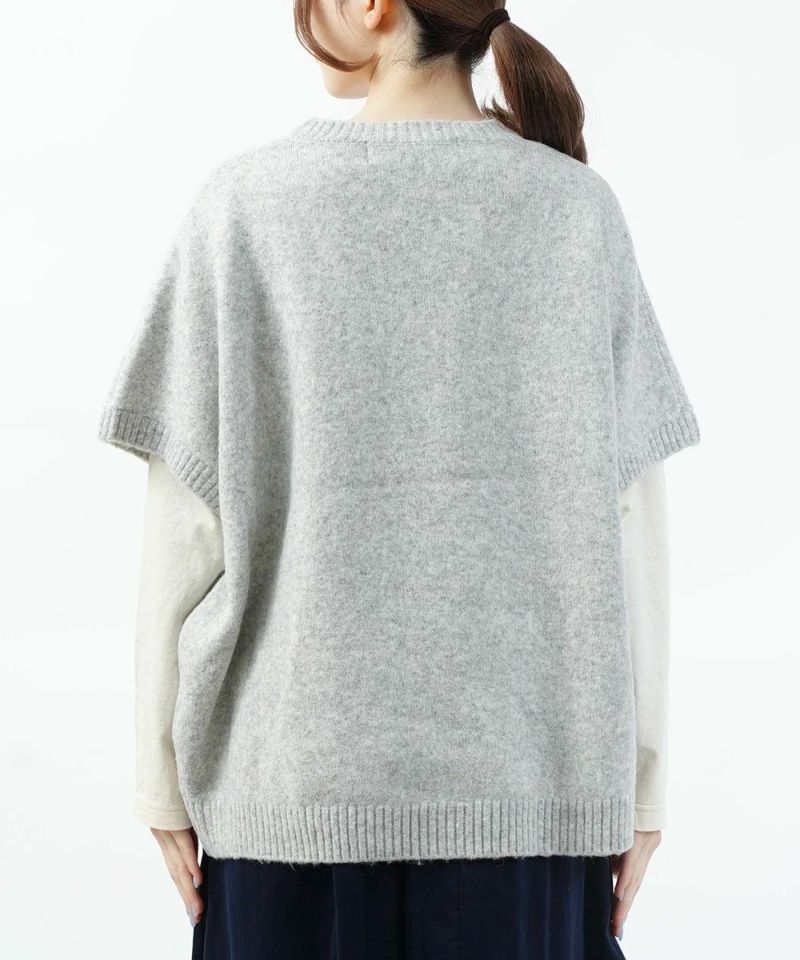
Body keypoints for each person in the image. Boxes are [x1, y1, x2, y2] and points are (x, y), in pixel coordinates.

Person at [97, 2, 701, 957]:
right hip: (530, 812)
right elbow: (632, 518)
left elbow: (186, 528)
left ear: (373, 5)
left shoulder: (246, 206)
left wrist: (158, 780)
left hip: (289, 813)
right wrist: (644, 787)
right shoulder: (578, 213)